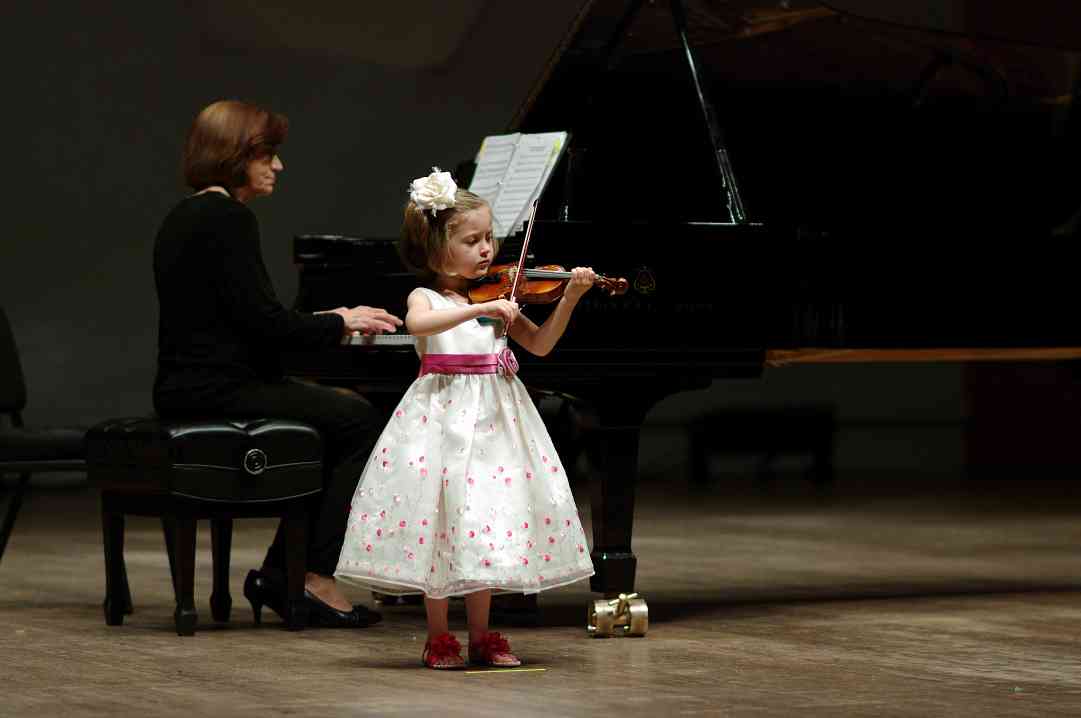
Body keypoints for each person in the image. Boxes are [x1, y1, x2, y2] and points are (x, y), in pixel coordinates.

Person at [152, 99, 403, 628]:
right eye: (268, 153)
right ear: (236, 154)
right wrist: (341, 322)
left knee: (334, 416)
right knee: (358, 421)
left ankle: (279, 572)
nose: (278, 165)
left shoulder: (185, 215)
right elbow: (265, 325)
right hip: (220, 391)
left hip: (188, 386)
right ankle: (312, 574)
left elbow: (246, 319)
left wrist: (327, 318)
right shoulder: (227, 218)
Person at [334, 168, 597, 668]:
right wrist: (480, 310)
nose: (486, 250)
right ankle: (439, 635)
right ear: (436, 248)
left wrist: (569, 300)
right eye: (471, 240)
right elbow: (419, 324)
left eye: (489, 238)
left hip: (496, 426)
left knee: (483, 521)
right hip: (440, 422)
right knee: (440, 523)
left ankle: (482, 633)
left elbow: (540, 345)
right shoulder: (428, 297)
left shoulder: (496, 300)